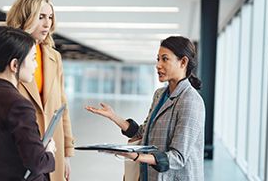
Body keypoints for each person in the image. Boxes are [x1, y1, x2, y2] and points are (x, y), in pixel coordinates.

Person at [0, 0, 74, 181]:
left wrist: (66, 152)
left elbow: (61, 105)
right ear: (26, 17)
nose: (47, 24)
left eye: (50, 17)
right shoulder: (5, 53)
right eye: (41, 17)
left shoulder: (54, 57)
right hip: (21, 149)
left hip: (51, 145)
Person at [86, 36, 205, 181]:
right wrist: (114, 117)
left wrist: (136, 156)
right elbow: (143, 132)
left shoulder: (191, 101)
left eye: (165, 59)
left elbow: (178, 158)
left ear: (183, 62)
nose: (158, 65)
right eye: (158, 59)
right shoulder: (160, 95)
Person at [0, 27, 56, 181]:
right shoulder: (19, 105)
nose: (35, 66)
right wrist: (49, 152)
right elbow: (37, 163)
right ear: (15, 65)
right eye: (33, 59)